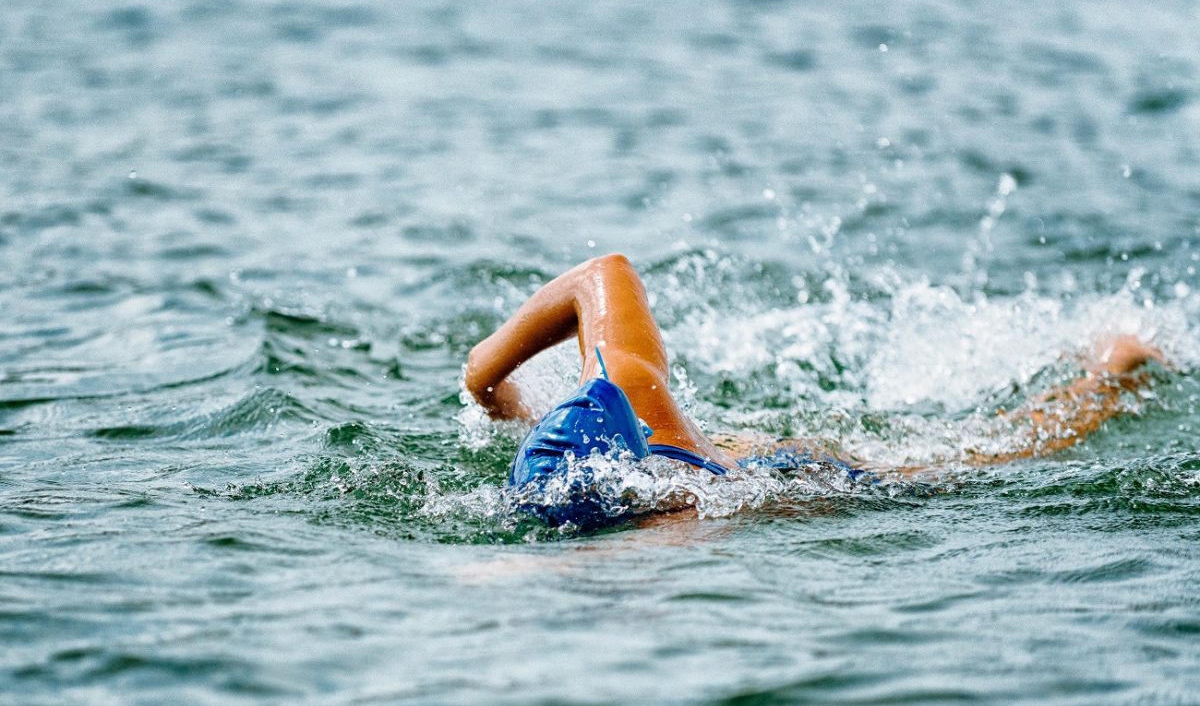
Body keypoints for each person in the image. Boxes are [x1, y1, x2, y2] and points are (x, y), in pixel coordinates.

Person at [465, 254, 1163, 528]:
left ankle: (1111, 370)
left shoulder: (628, 391)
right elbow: (604, 272)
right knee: (969, 458)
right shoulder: (627, 383)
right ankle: (1108, 366)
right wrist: (485, 374)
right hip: (730, 478)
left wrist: (484, 384)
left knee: (977, 468)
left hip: (750, 483)